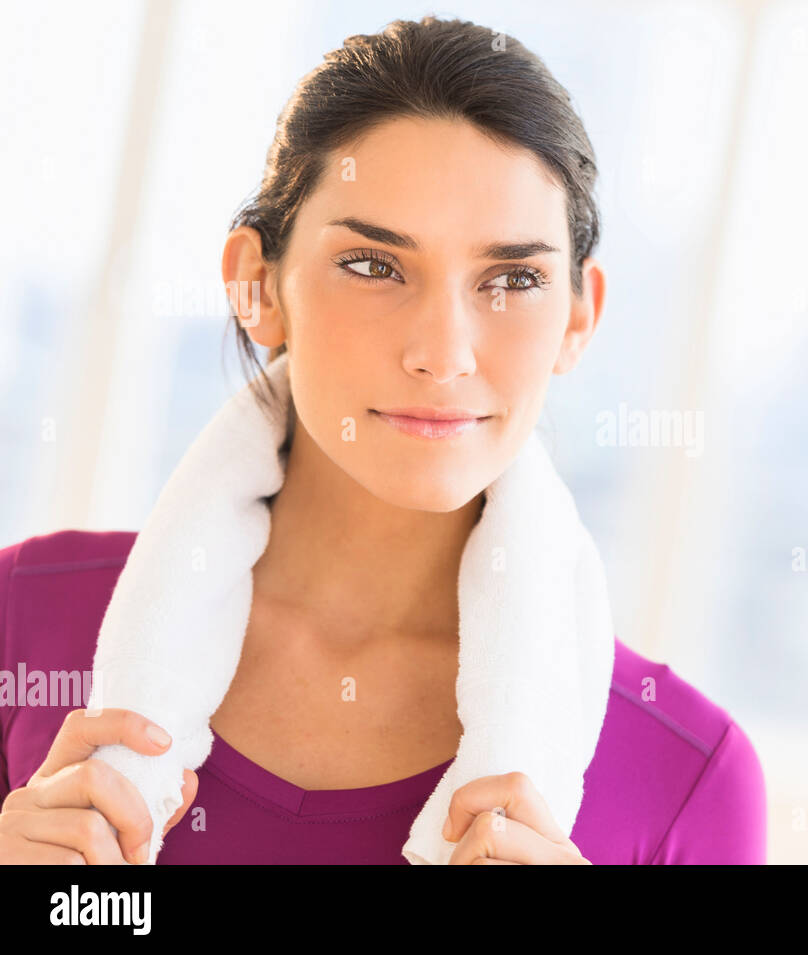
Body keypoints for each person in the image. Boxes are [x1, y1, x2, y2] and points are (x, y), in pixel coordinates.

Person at [0, 15, 765, 864]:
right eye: (374, 265)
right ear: (258, 285)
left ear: (579, 315)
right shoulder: (24, 622)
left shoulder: (689, 783)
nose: (442, 353)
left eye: (513, 278)